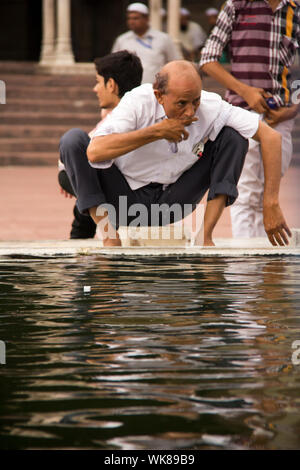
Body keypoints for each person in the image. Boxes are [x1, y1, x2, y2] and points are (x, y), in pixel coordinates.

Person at [64, 60, 291, 248]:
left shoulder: (212, 107)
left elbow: (272, 137)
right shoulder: (137, 102)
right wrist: (155, 132)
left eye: (196, 101)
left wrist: (270, 203)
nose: (191, 111)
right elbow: (94, 152)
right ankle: (110, 237)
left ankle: (205, 236)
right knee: (73, 140)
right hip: (123, 202)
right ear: (159, 96)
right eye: (181, 103)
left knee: (234, 136)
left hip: (173, 204)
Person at [200, 0, 300, 238]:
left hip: (281, 117)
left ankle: (262, 262)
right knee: (245, 194)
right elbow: (208, 58)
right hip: (241, 113)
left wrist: (294, 108)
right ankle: (246, 268)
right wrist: (246, 91)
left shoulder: (295, 9)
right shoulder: (237, 5)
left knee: (267, 193)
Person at [59, 50, 143, 240]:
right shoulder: (120, 115)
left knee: (81, 173)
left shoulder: (117, 123)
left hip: (126, 200)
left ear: (111, 85)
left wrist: (71, 171)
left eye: (98, 82)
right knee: (84, 185)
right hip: (131, 199)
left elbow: (78, 155)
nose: (95, 89)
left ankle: (96, 241)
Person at [111, 2, 182, 84]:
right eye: (129, 18)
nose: (131, 21)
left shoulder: (163, 39)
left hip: (156, 91)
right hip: (129, 91)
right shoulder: (122, 40)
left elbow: (175, 64)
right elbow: (114, 65)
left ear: (147, 19)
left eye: (135, 18)